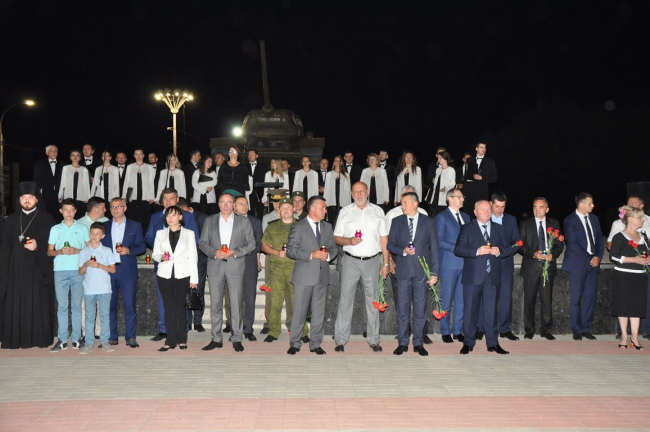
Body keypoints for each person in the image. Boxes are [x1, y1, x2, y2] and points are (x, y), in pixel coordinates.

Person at [333, 182, 390, 353]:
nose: (359, 194)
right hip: (350, 261)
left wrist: (386, 263)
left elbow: (384, 239)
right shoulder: (345, 212)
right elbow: (337, 237)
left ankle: (374, 339)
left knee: (373, 301)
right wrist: (349, 241)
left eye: (361, 191)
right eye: (355, 192)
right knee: (345, 300)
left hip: (372, 261)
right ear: (351, 194)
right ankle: (340, 339)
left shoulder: (378, 211)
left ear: (368, 192)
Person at [454, 200, 514, 355]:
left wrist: (499, 251)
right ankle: (468, 342)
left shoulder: (499, 229)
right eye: (483, 210)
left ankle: (493, 343)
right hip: (473, 277)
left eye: (488, 210)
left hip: (492, 276)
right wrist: (476, 251)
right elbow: (458, 249)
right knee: (470, 311)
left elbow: (508, 248)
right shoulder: (467, 228)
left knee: (491, 311)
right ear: (475, 212)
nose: (487, 212)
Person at [0, 182, 56, 349]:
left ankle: (38, 339)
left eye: (30, 197)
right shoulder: (11, 220)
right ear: (19, 200)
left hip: (36, 272)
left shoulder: (47, 219)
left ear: (37, 200)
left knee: (36, 305)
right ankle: (15, 339)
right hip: (15, 272)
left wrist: (38, 246)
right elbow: (4, 248)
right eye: (23, 197)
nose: (27, 200)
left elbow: (55, 246)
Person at [199, 192, 255, 352]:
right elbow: (202, 243)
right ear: (218, 204)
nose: (225, 205)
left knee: (236, 304)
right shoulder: (209, 220)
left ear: (233, 205)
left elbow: (251, 243)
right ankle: (216, 338)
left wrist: (236, 252)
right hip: (215, 265)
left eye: (229, 202)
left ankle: (237, 338)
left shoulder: (243, 221)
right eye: (222, 202)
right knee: (215, 304)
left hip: (235, 265)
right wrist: (214, 252)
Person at [387, 192, 439, 356]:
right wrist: (402, 251)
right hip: (403, 272)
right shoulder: (397, 221)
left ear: (415, 204)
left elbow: (434, 248)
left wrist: (434, 272)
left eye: (405, 203)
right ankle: (402, 343)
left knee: (420, 310)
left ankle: (418, 343)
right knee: (402, 309)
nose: (402, 206)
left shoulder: (428, 222)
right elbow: (390, 245)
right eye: (402, 203)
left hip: (422, 273)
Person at [145, 189, 200, 342]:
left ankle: (183, 330)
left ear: (177, 199)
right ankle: (164, 330)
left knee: (181, 302)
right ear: (161, 201)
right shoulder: (156, 217)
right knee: (165, 301)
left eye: (171, 198)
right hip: (164, 266)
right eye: (165, 199)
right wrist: (160, 247)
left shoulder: (187, 216)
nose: (168, 202)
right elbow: (148, 236)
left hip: (183, 267)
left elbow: (195, 238)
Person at [286, 196, 338, 355]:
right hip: (304, 276)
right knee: (299, 312)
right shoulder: (298, 226)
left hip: (322, 276)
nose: (325, 210)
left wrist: (328, 256)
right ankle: (295, 342)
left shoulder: (327, 227)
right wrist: (311, 255)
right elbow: (291, 250)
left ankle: (315, 343)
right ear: (313, 208)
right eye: (323, 207)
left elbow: (333, 248)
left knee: (319, 313)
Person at [262, 198, 309, 343]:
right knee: (275, 302)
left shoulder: (302, 226)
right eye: (283, 208)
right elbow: (264, 246)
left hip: (297, 268)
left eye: (289, 207)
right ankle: (273, 331)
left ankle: (302, 332)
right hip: (277, 269)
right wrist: (276, 252)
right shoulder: (272, 226)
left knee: (298, 302)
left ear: (294, 209)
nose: (286, 210)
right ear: (279, 211)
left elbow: (309, 246)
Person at [101, 197, 146, 348]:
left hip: (127, 271)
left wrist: (129, 250)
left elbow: (142, 247)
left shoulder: (135, 225)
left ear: (125, 208)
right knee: (109, 306)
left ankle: (131, 337)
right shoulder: (104, 226)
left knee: (130, 305)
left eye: (119, 206)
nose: (116, 209)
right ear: (109, 209)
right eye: (113, 207)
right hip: (109, 270)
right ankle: (112, 337)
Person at [518, 197, 564, 340]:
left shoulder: (554, 223)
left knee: (546, 299)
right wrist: (534, 254)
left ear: (547, 209)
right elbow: (520, 245)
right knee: (529, 300)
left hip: (548, 267)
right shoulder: (525, 224)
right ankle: (529, 329)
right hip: (531, 267)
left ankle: (546, 330)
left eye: (541, 207)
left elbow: (559, 244)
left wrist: (552, 255)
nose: (537, 210)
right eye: (535, 207)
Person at [48, 199, 90, 352]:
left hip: (78, 270)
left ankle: (77, 339)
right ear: (61, 211)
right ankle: (62, 340)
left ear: (75, 211)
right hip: (60, 270)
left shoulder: (82, 228)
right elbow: (49, 252)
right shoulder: (55, 229)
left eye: (72, 210)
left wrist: (76, 250)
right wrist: (60, 251)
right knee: (62, 306)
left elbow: (89, 249)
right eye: (66, 210)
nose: (69, 213)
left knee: (77, 305)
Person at [562, 192, 604, 341]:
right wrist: (590, 258)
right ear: (581, 204)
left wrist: (598, 257)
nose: (593, 205)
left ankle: (586, 328)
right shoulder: (569, 220)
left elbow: (599, 239)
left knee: (590, 298)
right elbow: (573, 244)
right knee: (576, 298)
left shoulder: (594, 219)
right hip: (578, 264)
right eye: (590, 203)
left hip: (593, 264)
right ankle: (577, 330)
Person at [607, 196, 650, 339]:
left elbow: (646, 254)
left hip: (640, 276)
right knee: (624, 306)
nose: (643, 220)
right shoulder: (620, 237)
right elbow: (613, 256)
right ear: (631, 219)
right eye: (640, 218)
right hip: (624, 276)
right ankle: (624, 337)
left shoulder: (643, 236)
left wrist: (647, 260)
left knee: (637, 307)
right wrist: (634, 259)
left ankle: (635, 338)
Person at [435, 187, 470, 343]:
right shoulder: (441, 217)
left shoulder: (466, 217)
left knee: (461, 299)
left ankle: (457, 330)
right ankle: (445, 330)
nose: (463, 199)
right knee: (446, 298)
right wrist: (458, 248)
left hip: (465, 263)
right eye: (459, 197)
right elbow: (439, 241)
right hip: (449, 263)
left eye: (463, 197)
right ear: (450, 198)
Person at [77, 222, 116, 354]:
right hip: (89, 289)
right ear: (89, 234)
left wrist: (99, 266)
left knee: (104, 316)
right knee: (89, 316)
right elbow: (80, 272)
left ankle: (105, 342)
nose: (94, 236)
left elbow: (113, 269)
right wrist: (85, 265)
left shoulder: (107, 251)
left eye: (97, 234)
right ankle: (89, 342)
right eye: (92, 234)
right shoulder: (84, 252)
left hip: (104, 288)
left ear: (102, 236)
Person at [486, 193, 520, 342]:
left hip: (505, 264)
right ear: (490, 204)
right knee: (487, 298)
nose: (499, 210)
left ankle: (505, 329)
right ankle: (483, 328)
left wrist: (503, 252)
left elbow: (517, 242)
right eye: (497, 206)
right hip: (487, 265)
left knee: (506, 298)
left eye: (503, 207)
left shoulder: (511, 220)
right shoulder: (484, 217)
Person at [233, 196, 263, 341]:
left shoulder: (255, 222)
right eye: (241, 204)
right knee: (234, 298)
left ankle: (248, 329)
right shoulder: (229, 221)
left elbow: (259, 244)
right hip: (233, 263)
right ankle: (235, 329)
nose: (244, 206)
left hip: (249, 263)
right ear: (234, 206)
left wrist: (243, 251)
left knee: (250, 297)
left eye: (246, 204)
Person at [178, 197, 208, 332]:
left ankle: (198, 322)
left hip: (199, 261)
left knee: (198, 292)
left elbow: (205, 240)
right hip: (183, 262)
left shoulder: (202, 217)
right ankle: (187, 322)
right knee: (184, 292)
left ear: (186, 209)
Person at [122, 148, 156, 233]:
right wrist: (124, 196)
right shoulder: (130, 167)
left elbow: (151, 183)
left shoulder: (149, 167)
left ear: (143, 155)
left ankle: (144, 237)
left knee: (144, 219)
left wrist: (151, 197)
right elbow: (126, 182)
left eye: (140, 154)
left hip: (145, 197)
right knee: (132, 218)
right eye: (136, 154)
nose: (138, 156)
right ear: (134, 156)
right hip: (133, 197)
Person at [462, 143, 497, 214]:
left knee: (481, 213)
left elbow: (494, 178)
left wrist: (482, 178)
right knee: (468, 213)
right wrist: (464, 192)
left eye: (485, 147)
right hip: (469, 193)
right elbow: (466, 177)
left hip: (482, 193)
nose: (483, 149)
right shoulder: (469, 160)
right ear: (476, 149)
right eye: (481, 147)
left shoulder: (490, 162)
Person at [32, 144, 63, 221]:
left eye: (55, 151)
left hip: (59, 194)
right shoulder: (39, 164)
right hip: (45, 194)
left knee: (58, 215)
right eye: (51, 151)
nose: (54, 152)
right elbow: (36, 179)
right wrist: (38, 193)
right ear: (46, 153)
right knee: (45, 214)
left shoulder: (63, 164)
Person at [59, 149, 91, 217]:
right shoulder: (66, 168)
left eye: (77, 155)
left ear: (80, 157)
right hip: (68, 196)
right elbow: (63, 182)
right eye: (73, 155)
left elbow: (86, 184)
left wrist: (87, 197)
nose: (75, 157)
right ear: (70, 157)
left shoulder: (84, 169)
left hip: (80, 197)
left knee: (80, 215)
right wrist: (60, 195)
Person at [323, 155, 351, 229]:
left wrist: (348, 205)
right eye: (336, 160)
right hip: (331, 203)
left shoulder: (346, 175)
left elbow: (347, 191)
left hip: (342, 204)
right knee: (331, 223)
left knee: (341, 223)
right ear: (333, 162)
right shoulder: (329, 174)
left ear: (342, 163)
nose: (338, 162)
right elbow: (327, 190)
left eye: (339, 161)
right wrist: (325, 203)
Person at [425, 151, 456, 217]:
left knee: (441, 215)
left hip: (443, 196)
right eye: (438, 158)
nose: (438, 160)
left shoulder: (451, 170)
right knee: (431, 214)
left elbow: (453, 184)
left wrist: (446, 189)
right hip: (435, 195)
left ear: (445, 159)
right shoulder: (438, 170)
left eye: (440, 158)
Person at [246, 148, 267, 219]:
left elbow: (265, 179)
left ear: (256, 156)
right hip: (249, 191)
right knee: (250, 210)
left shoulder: (263, 166)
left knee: (260, 210)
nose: (250, 156)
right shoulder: (244, 166)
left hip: (259, 191)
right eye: (249, 154)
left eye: (252, 154)